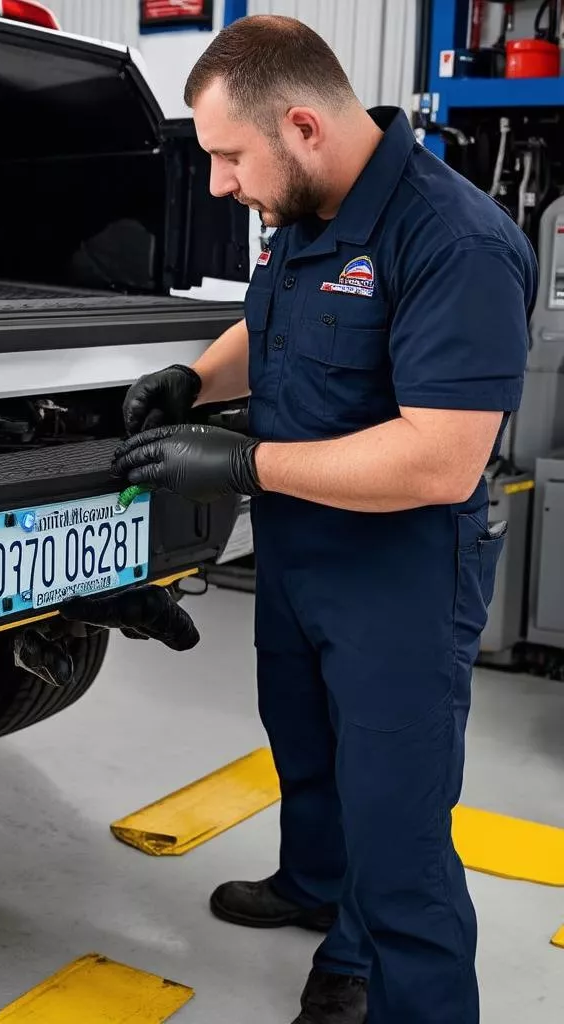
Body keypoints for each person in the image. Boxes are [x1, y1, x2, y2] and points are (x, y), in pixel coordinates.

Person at [113, 15, 537, 1024]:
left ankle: (382, 971)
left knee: (397, 834)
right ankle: (312, 886)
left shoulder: (456, 243)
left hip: (399, 571)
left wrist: (244, 460)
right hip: (301, 546)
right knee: (302, 744)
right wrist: (196, 378)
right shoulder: (307, 207)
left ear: (301, 124)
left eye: (226, 156)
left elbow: (440, 458)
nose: (218, 182)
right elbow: (270, 322)